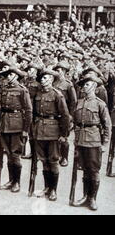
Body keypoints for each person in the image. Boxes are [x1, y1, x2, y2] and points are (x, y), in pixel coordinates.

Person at [71, 74, 111, 211]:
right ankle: (84, 196)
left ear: (94, 86)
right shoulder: (79, 102)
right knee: (85, 170)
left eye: (87, 85)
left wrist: (105, 144)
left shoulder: (100, 103)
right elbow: (75, 121)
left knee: (93, 170)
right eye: (83, 85)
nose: (84, 87)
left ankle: (92, 198)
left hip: (94, 141)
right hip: (81, 140)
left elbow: (107, 125)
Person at [32, 68, 70, 201]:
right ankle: (47, 187)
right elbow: (33, 113)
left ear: (52, 80)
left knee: (53, 160)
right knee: (43, 160)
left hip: (53, 131)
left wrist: (64, 134)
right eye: (42, 78)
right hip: (39, 130)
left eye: (46, 78)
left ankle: (54, 189)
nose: (43, 80)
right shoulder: (37, 94)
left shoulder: (57, 95)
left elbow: (65, 116)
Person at [0, 65, 32, 193]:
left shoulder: (22, 90)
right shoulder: (5, 89)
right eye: (7, 75)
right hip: (5, 124)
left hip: (16, 125)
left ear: (16, 76)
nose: (8, 78)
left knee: (15, 154)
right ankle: (11, 180)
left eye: (11, 75)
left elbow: (28, 111)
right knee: (8, 154)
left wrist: (25, 129)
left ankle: (16, 182)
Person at [53, 61, 77, 167]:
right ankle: (56, 155)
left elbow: (73, 101)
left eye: (58, 70)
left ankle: (64, 158)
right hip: (54, 113)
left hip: (65, 114)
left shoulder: (68, 84)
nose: (57, 72)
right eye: (56, 70)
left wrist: (70, 116)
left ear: (63, 71)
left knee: (64, 137)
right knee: (54, 135)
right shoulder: (53, 83)